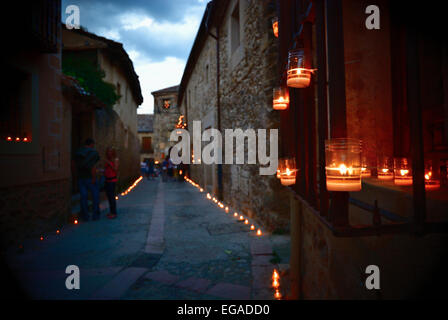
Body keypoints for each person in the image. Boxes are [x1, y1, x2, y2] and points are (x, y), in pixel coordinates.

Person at [74, 138, 100, 221]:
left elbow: (73, 164)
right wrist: (93, 177)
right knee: (95, 195)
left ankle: (85, 216)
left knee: (83, 196)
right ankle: (95, 215)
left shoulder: (78, 152)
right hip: (89, 177)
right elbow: (93, 167)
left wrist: (75, 176)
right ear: (91, 144)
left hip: (80, 177)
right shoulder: (93, 153)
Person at [104, 147, 119, 219]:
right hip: (107, 180)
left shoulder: (115, 160)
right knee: (109, 197)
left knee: (112, 197)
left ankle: (114, 213)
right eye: (107, 151)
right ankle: (111, 211)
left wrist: (109, 164)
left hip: (112, 181)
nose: (108, 153)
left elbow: (115, 169)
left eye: (110, 152)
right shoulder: (108, 160)